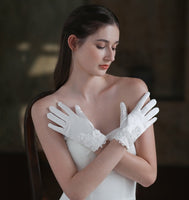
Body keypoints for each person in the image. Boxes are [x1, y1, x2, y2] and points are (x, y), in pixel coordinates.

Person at [31, 4, 159, 200]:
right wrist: (122, 138)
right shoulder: (47, 109)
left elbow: (148, 176)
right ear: (73, 43)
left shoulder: (134, 90)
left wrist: (95, 141)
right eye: (101, 46)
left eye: (114, 47)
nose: (111, 56)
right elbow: (76, 192)